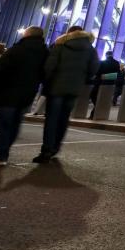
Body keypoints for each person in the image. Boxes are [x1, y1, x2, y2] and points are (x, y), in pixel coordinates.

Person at [34, 26, 100, 163]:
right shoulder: (90, 49)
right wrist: (82, 79)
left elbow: (49, 66)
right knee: (64, 119)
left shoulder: (60, 45)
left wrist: (47, 81)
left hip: (56, 88)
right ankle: (56, 147)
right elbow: (94, 68)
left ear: (69, 33)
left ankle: (46, 149)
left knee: (52, 119)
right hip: (74, 89)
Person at [0, 27, 48, 166]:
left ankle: (1, 155)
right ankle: (4, 151)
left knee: (3, 124)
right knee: (15, 123)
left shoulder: (16, 49)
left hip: (8, 92)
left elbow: (0, 69)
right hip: (28, 93)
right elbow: (45, 73)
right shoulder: (45, 53)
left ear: (27, 34)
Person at [89, 50, 120, 118]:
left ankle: (95, 111)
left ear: (106, 55)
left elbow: (98, 72)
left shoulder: (103, 62)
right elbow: (118, 73)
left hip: (100, 83)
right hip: (110, 84)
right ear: (112, 55)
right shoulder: (117, 63)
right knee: (104, 98)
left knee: (93, 95)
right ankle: (95, 113)